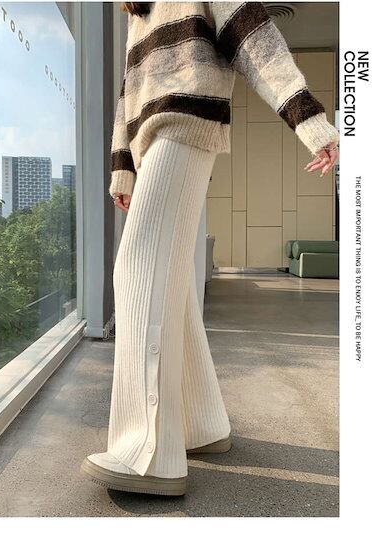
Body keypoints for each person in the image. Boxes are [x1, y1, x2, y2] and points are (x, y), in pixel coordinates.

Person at [80, 1, 340, 497]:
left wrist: (309, 121)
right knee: (171, 282)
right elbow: (130, 92)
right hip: (150, 141)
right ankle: (201, 423)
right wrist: (123, 168)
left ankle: (147, 454)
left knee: (136, 269)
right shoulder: (137, 14)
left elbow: (255, 39)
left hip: (189, 122)